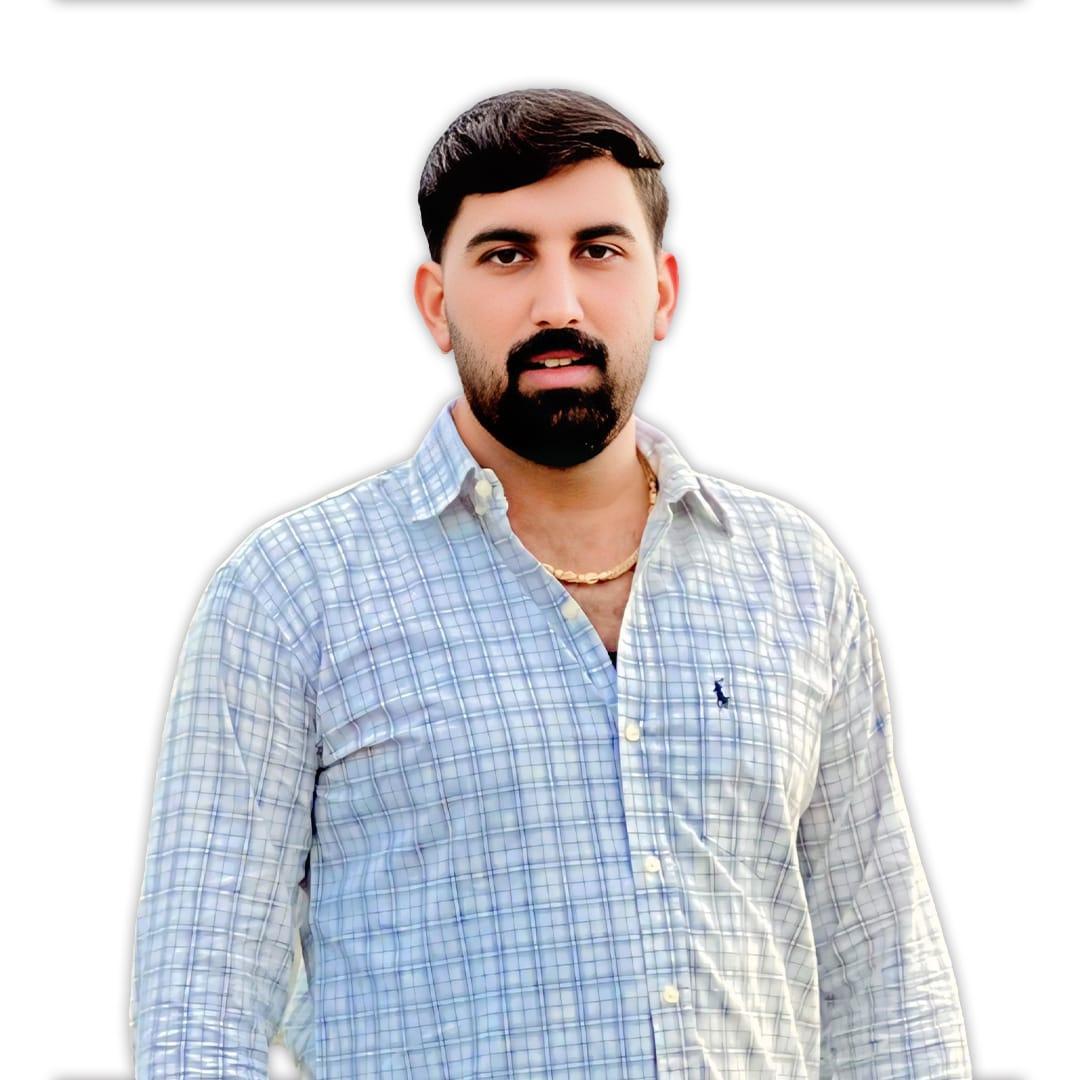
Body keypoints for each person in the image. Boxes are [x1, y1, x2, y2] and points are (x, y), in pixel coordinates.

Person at [129, 87, 973, 1079]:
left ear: (662, 290)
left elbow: (885, 985)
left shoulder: (793, 578)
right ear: (437, 304)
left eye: (598, 250)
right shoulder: (291, 594)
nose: (559, 304)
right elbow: (200, 1005)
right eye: (507, 254)